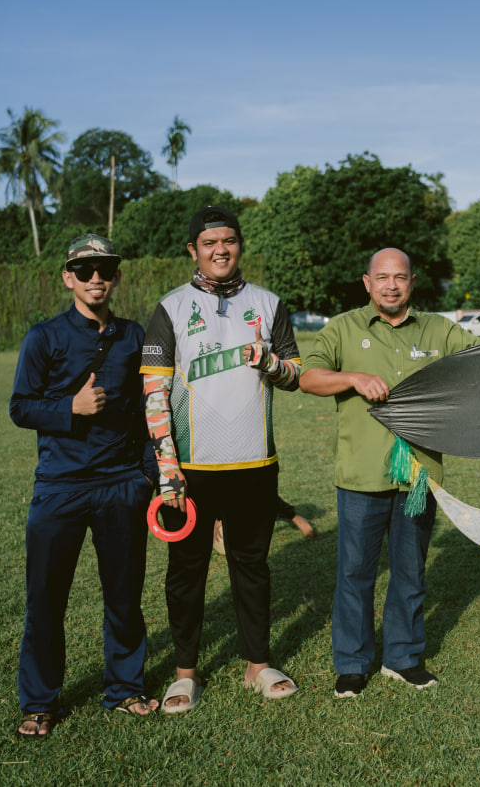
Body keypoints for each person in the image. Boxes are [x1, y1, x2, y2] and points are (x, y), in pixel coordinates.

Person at [298, 248, 480, 698]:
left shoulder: (439, 329)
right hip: (362, 475)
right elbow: (308, 377)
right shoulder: (343, 328)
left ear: (412, 281)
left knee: (410, 571)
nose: (390, 285)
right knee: (355, 573)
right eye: (381, 277)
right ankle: (353, 663)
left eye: (399, 277)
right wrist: (352, 378)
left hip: (419, 477)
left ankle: (402, 659)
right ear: (367, 283)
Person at [139, 206, 303, 712]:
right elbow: (154, 393)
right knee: (186, 572)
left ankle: (258, 664)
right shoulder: (169, 308)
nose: (220, 250)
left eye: (228, 240)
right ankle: (186, 673)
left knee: (251, 566)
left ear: (240, 245)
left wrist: (271, 363)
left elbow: (295, 373)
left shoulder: (269, 304)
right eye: (209, 242)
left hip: (255, 464)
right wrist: (168, 467)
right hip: (191, 470)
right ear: (193, 249)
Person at [9, 233, 159, 738]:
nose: (97, 277)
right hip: (60, 486)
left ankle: (124, 689)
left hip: (122, 486)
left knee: (123, 595)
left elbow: (148, 411)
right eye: (86, 268)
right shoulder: (44, 337)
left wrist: (148, 476)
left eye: (106, 268)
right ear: (68, 276)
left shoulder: (134, 334)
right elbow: (20, 407)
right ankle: (39, 702)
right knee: (46, 598)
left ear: (115, 277)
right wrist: (68, 409)